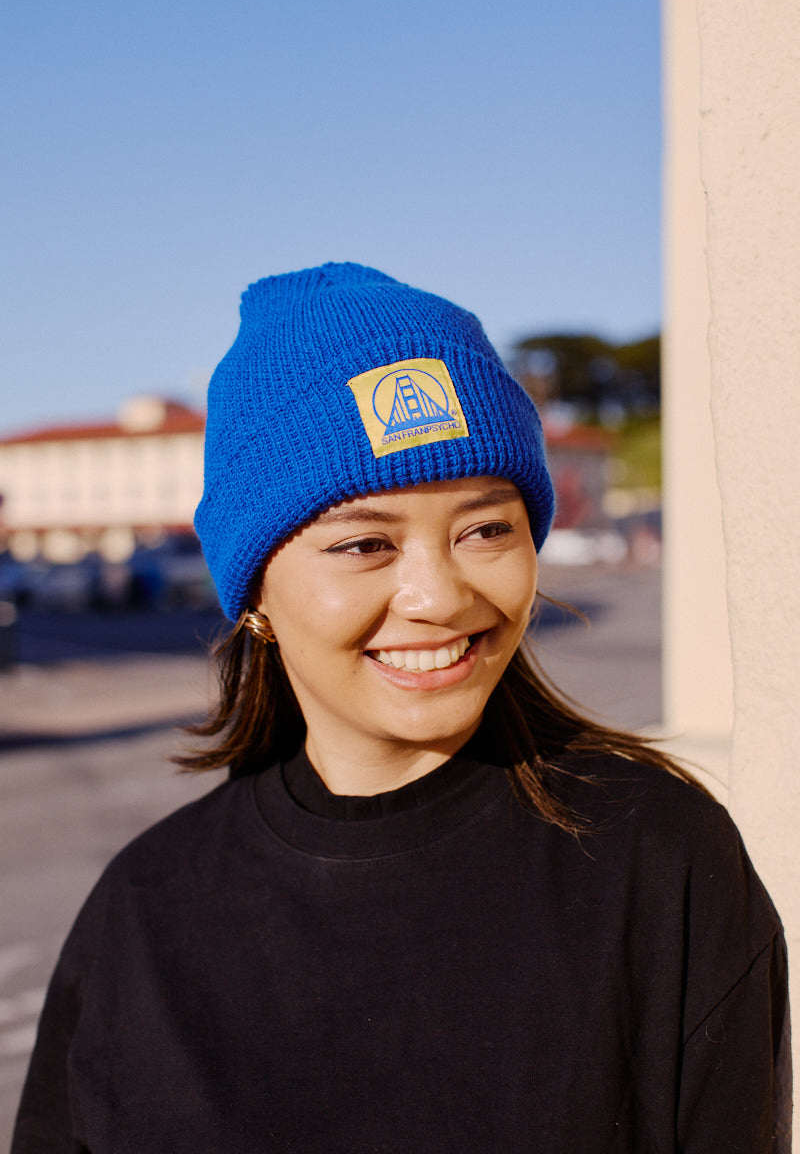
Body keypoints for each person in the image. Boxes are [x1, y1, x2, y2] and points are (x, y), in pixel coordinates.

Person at [13, 263, 790, 1152]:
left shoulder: (658, 854)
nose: (438, 595)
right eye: (366, 544)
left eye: (487, 529)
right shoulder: (143, 913)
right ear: (253, 591)